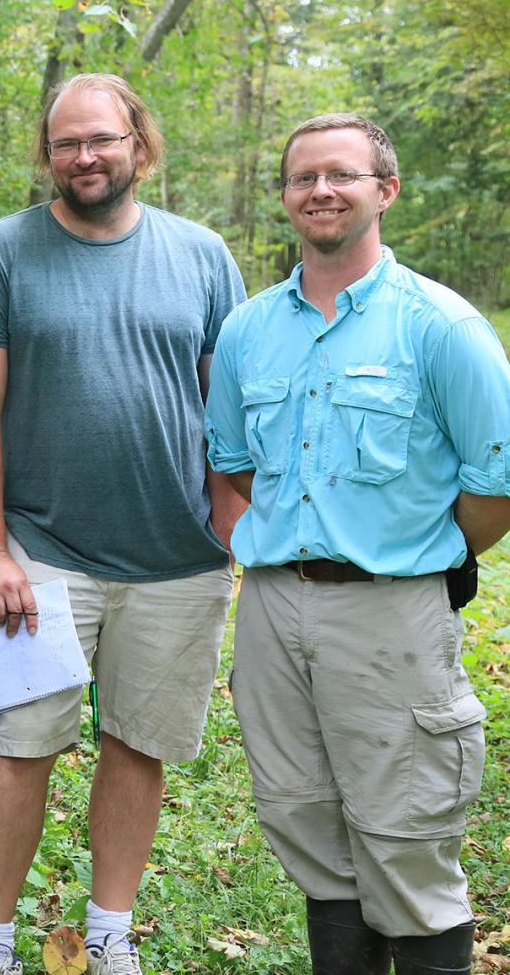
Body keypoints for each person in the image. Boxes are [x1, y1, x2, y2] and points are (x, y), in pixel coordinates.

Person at [0, 73, 246, 975]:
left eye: (102, 140)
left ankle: (110, 930)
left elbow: (229, 408)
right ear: (48, 153)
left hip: (178, 555)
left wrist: (231, 530)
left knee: (138, 744)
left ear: (138, 146)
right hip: (43, 550)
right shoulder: (0, 253)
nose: (84, 157)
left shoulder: (201, 255)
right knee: (22, 740)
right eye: (67, 143)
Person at [205, 114, 510, 975]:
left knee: (404, 830)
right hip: (274, 608)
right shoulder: (249, 331)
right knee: (306, 823)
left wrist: (415, 552)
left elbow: (498, 484)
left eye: (341, 174)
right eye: (303, 178)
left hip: (392, 610)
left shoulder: (440, 327)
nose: (321, 191)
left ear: (386, 189)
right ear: (285, 199)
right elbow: (234, 468)